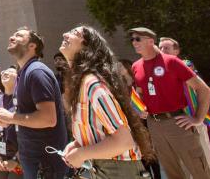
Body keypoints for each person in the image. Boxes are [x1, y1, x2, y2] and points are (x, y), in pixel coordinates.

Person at [60, 26, 152, 176]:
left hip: (120, 171)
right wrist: (77, 145)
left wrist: (82, 154)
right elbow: (98, 131)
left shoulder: (93, 84)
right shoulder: (81, 84)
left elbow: (124, 142)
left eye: (74, 33)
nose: (65, 34)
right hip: (103, 168)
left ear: (87, 46)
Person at [129, 27, 210, 179]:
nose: (134, 42)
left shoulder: (171, 61)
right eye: (132, 39)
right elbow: (139, 93)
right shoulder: (136, 66)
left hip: (177, 122)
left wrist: (198, 118)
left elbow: (203, 89)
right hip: (154, 124)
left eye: (138, 39)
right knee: (172, 170)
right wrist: (138, 107)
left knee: (199, 169)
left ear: (151, 41)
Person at [0, 27, 67, 179]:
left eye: (19, 35)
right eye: (13, 34)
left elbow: (48, 119)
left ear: (32, 46)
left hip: (45, 164)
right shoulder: (24, 73)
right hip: (33, 162)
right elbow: (29, 117)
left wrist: (12, 117)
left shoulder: (36, 72)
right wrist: (9, 120)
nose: (12, 37)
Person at [159, 36, 210, 178]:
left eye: (166, 48)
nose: (162, 50)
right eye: (160, 48)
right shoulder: (159, 69)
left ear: (176, 51)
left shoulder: (185, 64)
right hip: (175, 122)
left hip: (192, 117)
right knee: (184, 162)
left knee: (205, 156)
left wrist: (197, 118)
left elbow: (202, 90)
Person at [117, 59, 161, 179]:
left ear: (127, 67)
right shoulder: (119, 86)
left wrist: (146, 110)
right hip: (132, 122)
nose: (117, 68)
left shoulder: (138, 82)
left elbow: (148, 98)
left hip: (144, 120)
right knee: (140, 151)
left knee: (150, 150)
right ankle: (146, 175)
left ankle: (157, 175)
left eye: (120, 66)